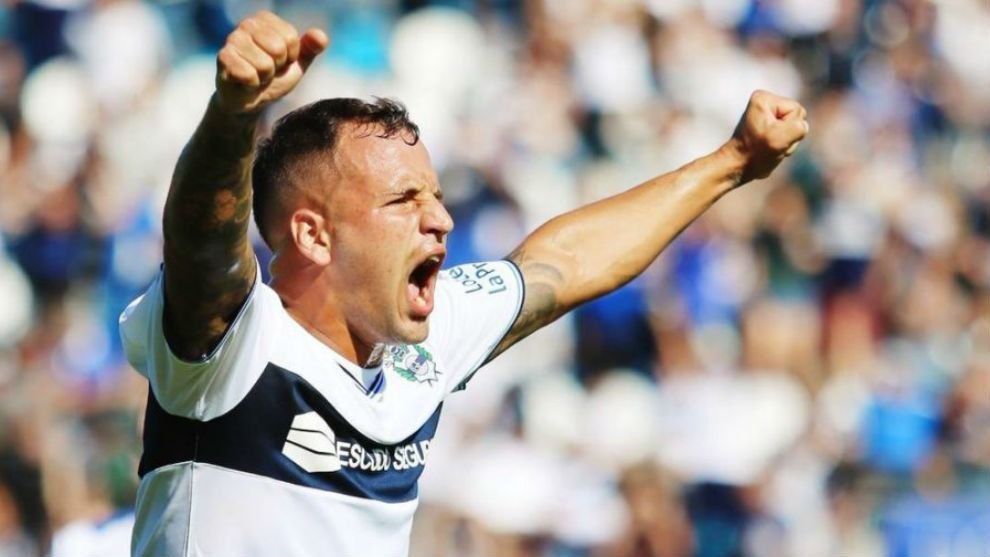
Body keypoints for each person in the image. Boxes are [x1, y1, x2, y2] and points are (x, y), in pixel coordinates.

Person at [118, 10, 808, 557]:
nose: (441, 220)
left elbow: (566, 263)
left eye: (437, 197)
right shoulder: (232, 349)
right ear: (314, 235)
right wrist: (233, 113)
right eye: (403, 201)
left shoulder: (419, 349)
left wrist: (732, 161)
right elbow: (202, 246)